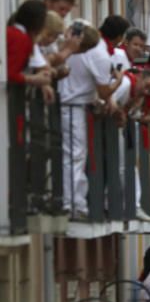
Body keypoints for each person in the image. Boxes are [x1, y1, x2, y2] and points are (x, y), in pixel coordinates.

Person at [60, 15, 128, 218]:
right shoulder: (99, 53)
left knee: (73, 155)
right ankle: (73, 202)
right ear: (118, 38)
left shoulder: (87, 34)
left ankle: (73, 201)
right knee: (76, 156)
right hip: (75, 106)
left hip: (68, 101)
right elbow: (105, 92)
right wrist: (119, 80)